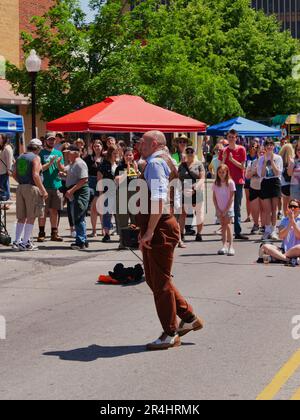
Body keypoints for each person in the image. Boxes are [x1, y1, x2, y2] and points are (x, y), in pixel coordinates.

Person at [137, 130, 204, 351]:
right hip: (158, 226)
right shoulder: (159, 160)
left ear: (154, 143)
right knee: (156, 279)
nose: (139, 144)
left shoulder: (155, 164)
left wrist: (149, 231)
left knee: (160, 284)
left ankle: (170, 332)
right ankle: (188, 316)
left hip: (160, 228)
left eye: (143, 141)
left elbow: (157, 199)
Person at [12, 139, 48, 251]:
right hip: (32, 188)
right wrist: (43, 190)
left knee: (21, 217)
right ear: (38, 148)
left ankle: (17, 242)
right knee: (31, 216)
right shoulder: (36, 157)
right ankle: (25, 242)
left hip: (21, 187)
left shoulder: (20, 157)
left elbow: (13, 174)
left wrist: (21, 182)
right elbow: (36, 175)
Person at [219, 129, 248, 240]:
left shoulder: (241, 149)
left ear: (236, 138)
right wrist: (225, 158)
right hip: (226, 182)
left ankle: (237, 231)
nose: (231, 138)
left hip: (238, 181)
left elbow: (242, 166)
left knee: (237, 207)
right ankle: (226, 230)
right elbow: (220, 168)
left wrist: (231, 160)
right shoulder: (224, 150)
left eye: (233, 137)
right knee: (225, 206)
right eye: (229, 137)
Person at [38, 133, 65, 242]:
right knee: (43, 211)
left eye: (53, 140)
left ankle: (54, 233)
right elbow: (39, 169)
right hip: (44, 186)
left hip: (56, 185)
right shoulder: (41, 153)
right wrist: (49, 163)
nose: (51, 141)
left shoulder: (59, 153)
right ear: (45, 141)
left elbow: (62, 169)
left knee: (54, 211)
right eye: (49, 140)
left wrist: (59, 165)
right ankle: (41, 233)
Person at [260, 199, 300, 265]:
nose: (292, 208)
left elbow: (299, 236)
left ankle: (278, 257)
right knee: (265, 246)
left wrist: (293, 221)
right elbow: (281, 236)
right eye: (290, 207)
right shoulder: (284, 220)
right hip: (284, 249)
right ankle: (288, 259)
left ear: (299, 209)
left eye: (295, 207)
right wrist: (290, 222)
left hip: (296, 249)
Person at [65, 145, 90, 250]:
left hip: (80, 192)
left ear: (75, 153)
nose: (67, 154)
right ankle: (83, 239)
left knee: (78, 217)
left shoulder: (80, 163)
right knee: (79, 217)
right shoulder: (74, 163)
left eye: (69, 152)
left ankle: (80, 242)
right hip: (76, 192)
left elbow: (84, 179)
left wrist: (71, 190)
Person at [257, 139, 283, 240]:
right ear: (264, 147)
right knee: (267, 210)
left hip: (275, 182)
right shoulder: (261, 159)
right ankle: (267, 230)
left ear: (273, 146)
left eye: (271, 145)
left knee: (274, 209)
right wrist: (264, 162)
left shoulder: (278, 158)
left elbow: (278, 173)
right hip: (265, 183)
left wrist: (271, 161)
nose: (269, 147)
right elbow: (261, 174)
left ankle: (273, 230)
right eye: (267, 145)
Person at [178, 146, 205, 242]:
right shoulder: (181, 165)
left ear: (195, 153)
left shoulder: (199, 164)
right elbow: (178, 178)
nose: (189, 153)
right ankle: (181, 234)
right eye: (187, 151)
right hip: (185, 189)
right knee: (183, 213)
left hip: (196, 189)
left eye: (191, 151)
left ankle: (199, 233)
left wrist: (195, 187)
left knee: (199, 212)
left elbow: (202, 178)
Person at [115, 148, 140, 249]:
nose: (129, 157)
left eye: (130, 155)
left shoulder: (136, 166)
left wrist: (137, 171)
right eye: (127, 155)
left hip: (134, 195)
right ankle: (123, 242)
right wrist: (127, 172)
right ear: (123, 156)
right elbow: (117, 181)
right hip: (123, 195)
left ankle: (135, 242)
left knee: (135, 220)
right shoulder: (120, 167)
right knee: (123, 220)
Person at [212, 164, 236, 256]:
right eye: (220, 172)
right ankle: (224, 246)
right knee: (223, 226)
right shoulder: (215, 183)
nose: (221, 174)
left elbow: (231, 198)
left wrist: (226, 209)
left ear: (227, 172)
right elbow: (214, 197)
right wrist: (217, 209)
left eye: (223, 172)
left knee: (228, 226)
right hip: (219, 208)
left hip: (228, 208)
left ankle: (231, 247)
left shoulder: (230, 182)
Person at [97, 145, 119, 243]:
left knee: (118, 213)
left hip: (118, 192)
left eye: (117, 153)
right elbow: (99, 179)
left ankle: (120, 233)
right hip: (107, 191)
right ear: (110, 154)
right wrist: (101, 194)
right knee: (107, 213)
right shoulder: (104, 164)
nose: (116, 155)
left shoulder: (119, 164)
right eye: (114, 153)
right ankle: (106, 234)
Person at [84, 140, 103, 237]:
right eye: (95, 146)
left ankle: (104, 230)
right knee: (93, 208)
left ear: (102, 147)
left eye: (98, 146)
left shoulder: (105, 158)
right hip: (91, 182)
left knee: (102, 208)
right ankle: (94, 230)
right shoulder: (88, 158)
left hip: (103, 182)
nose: (97, 147)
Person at [246, 146, 264, 235]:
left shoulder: (268, 163)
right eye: (259, 152)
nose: (261, 154)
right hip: (254, 187)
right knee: (255, 208)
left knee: (264, 208)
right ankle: (256, 224)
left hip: (265, 188)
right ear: (257, 153)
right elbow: (247, 176)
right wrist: (254, 171)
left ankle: (264, 226)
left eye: (263, 152)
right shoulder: (252, 163)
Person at [244, 140, 260, 223]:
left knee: (258, 199)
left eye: (256, 147)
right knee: (248, 199)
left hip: (257, 181)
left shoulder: (259, 157)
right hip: (247, 180)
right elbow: (243, 167)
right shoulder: (246, 157)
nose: (254, 148)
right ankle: (248, 216)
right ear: (249, 147)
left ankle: (258, 217)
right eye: (252, 146)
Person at [279, 143, 295, 216]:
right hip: (292, 184)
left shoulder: (280, 160)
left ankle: (286, 218)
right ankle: (292, 219)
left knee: (285, 204)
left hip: (283, 185)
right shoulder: (293, 160)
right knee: (292, 204)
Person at [0, 134, 14, 202]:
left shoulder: (7, 148)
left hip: (4, 171)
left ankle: (5, 200)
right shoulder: (1, 147)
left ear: (3, 139)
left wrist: (9, 169)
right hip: (1, 171)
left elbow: (9, 159)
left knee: (4, 187)